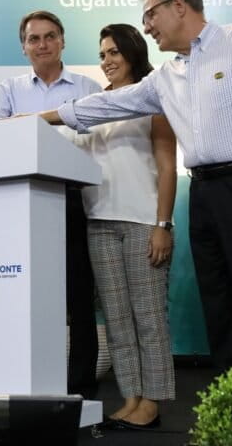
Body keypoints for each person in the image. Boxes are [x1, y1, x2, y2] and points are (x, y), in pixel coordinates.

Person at [35, 0, 232, 375]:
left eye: (150, 15)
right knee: (218, 305)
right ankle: (231, 410)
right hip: (204, 193)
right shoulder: (167, 77)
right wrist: (36, 119)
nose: (147, 27)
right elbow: (105, 106)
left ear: (178, 5)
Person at [0, 10, 102, 398]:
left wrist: (26, 122)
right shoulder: (10, 89)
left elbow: (96, 136)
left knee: (79, 300)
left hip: (72, 200)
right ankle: (29, 383)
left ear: (63, 41)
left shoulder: (88, 86)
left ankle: (80, 387)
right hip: (23, 204)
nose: (42, 44)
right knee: (28, 296)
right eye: (34, 39)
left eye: (50, 36)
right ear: (24, 47)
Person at [71, 24, 176, 429]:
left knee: (148, 317)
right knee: (116, 318)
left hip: (143, 221)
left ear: (132, 52)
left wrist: (163, 224)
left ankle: (153, 399)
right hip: (98, 222)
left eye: (114, 52)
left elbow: (167, 166)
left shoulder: (154, 99)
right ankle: (131, 397)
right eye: (102, 54)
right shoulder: (94, 103)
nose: (107, 61)